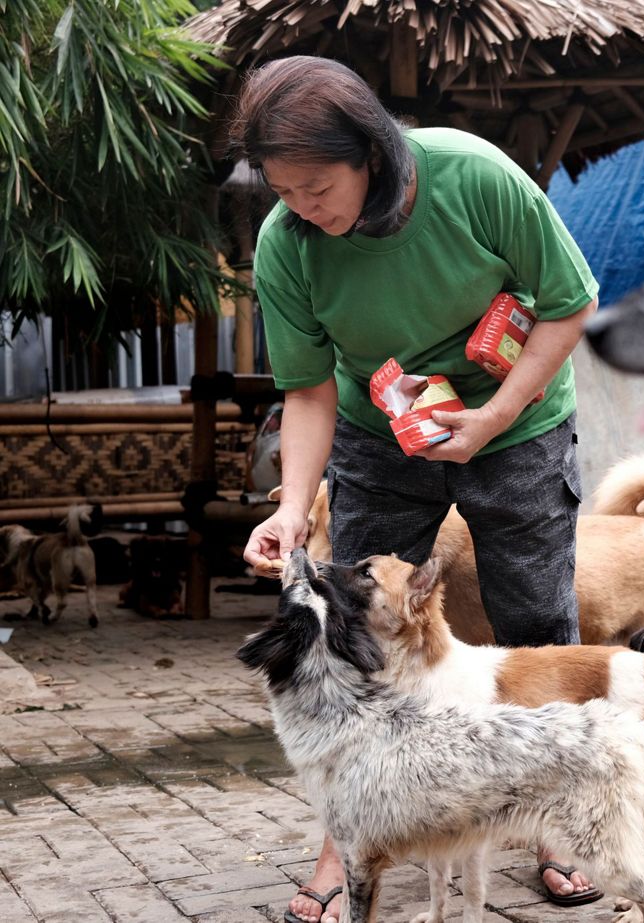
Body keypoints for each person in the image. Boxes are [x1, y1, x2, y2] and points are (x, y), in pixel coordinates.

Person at [231, 56, 600, 923]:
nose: (302, 207)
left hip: (518, 416)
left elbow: (568, 301)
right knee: (357, 629)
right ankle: (345, 838)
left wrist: (492, 418)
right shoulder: (287, 245)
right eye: (284, 191)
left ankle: (555, 823)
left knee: (537, 619)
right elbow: (309, 389)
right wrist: (290, 508)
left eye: (318, 185)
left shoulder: (473, 176)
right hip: (377, 427)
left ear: (371, 151)